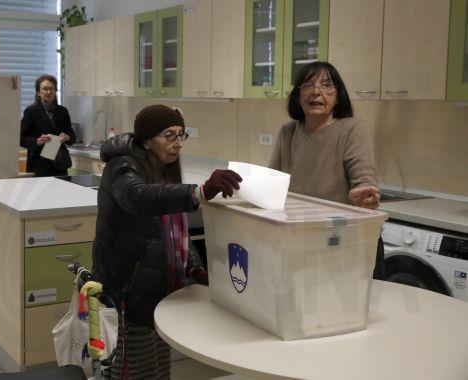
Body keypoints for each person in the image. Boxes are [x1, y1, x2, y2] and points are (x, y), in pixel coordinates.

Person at [92, 104, 242, 379]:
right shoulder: (122, 166)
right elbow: (138, 198)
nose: (177, 144)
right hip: (127, 291)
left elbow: (175, 231)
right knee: (130, 370)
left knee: (158, 368)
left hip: (157, 289)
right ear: (147, 140)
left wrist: (193, 268)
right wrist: (200, 192)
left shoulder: (164, 168)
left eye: (181, 135)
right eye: (168, 136)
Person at [269, 61, 385, 279]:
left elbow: (364, 179)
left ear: (338, 96)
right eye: (307, 86)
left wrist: (364, 195)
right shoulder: (288, 132)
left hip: (343, 241)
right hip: (301, 238)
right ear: (297, 95)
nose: (316, 92)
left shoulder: (351, 128)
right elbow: (272, 184)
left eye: (326, 85)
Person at [20, 75, 76, 177]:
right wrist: (37, 141)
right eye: (45, 89)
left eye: (51, 89)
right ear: (38, 92)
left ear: (55, 91)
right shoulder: (31, 111)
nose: (48, 92)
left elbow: (72, 136)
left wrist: (68, 137)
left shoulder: (62, 111)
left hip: (59, 163)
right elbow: (20, 138)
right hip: (39, 164)